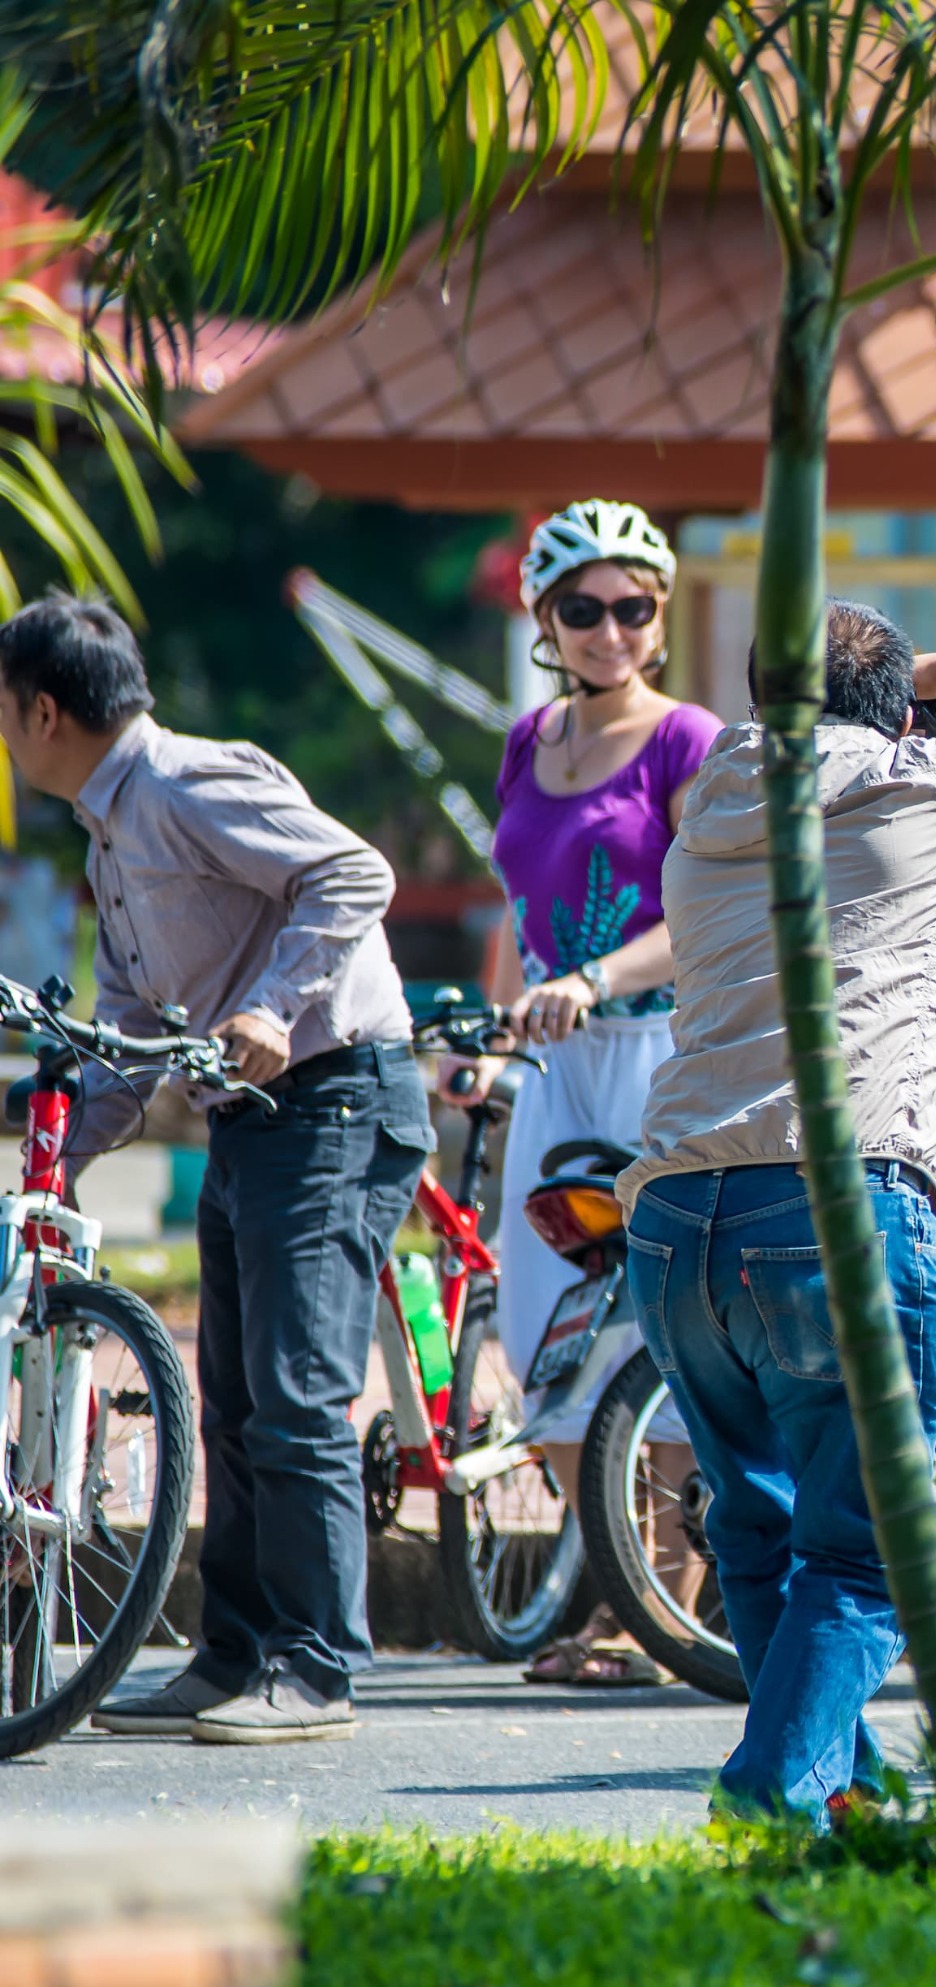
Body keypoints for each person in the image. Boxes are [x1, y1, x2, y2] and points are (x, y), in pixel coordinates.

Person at [620, 602, 936, 1822]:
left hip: (675, 1216)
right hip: (835, 1207)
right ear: (900, 710)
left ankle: (835, 1789)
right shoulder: (926, 789)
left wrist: (897, 697)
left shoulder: (703, 818)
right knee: (865, 1549)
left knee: (758, 1525)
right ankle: (770, 1796)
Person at [0, 595, 427, 1746]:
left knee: (293, 1394)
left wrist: (274, 1006)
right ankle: (232, 1652)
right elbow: (133, 1022)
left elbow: (353, 874)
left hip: (336, 1096)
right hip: (257, 1119)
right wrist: (57, 1159)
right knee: (232, 1404)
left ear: (43, 711)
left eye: (3, 712)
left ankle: (319, 1667)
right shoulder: (110, 827)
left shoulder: (186, 782)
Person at [462, 499, 721, 1688]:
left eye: (635, 607)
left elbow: (712, 911)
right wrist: (490, 1030)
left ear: (660, 615)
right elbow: (518, 900)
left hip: (659, 1060)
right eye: (585, 608)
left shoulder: (689, 743)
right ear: (544, 619)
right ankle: (619, 1583)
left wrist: (591, 979)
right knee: (541, 1330)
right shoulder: (528, 740)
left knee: (656, 1331)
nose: (612, 630)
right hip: (551, 1070)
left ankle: (657, 1610)